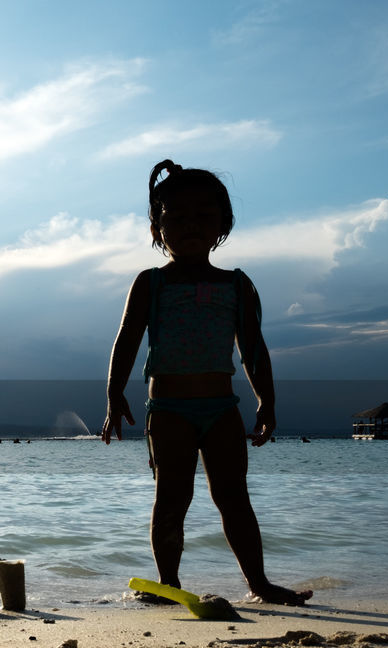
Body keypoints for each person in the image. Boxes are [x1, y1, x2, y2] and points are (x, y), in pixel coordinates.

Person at [101, 159, 312, 607]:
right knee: (171, 500)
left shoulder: (236, 285)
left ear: (223, 224)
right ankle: (169, 585)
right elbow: (127, 341)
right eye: (175, 217)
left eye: (202, 216)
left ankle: (259, 583)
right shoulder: (150, 284)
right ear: (158, 229)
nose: (189, 226)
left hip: (222, 410)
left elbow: (254, 350)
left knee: (234, 498)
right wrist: (114, 393)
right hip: (169, 412)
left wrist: (266, 403)